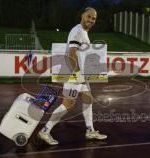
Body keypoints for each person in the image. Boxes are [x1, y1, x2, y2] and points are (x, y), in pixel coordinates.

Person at [37, 7, 107, 145]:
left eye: (94, 18)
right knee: (68, 104)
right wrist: (78, 74)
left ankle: (90, 130)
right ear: (82, 15)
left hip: (79, 73)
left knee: (88, 99)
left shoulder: (83, 32)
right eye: (89, 16)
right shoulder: (78, 31)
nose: (91, 20)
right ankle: (45, 131)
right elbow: (71, 54)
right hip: (73, 73)